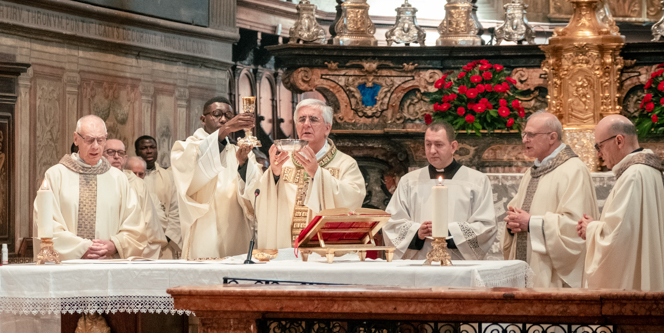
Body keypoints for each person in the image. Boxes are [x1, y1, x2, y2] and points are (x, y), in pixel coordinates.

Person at [578, 115, 664, 290]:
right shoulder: (647, 170)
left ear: (619, 140)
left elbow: (619, 237)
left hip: (633, 284)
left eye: (599, 146)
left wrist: (591, 229)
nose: (598, 154)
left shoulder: (633, 176)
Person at [245, 99, 365, 249]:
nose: (306, 124)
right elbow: (258, 201)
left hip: (324, 252)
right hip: (286, 250)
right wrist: (274, 176)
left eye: (313, 119)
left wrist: (317, 174)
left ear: (327, 128)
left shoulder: (345, 164)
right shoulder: (284, 161)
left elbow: (353, 200)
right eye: (302, 119)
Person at [503, 111, 599, 288]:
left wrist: (531, 223)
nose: (525, 140)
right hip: (528, 266)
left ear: (552, 137)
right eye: (524, 134)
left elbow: (576, 227)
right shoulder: (532, 172)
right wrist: (512, 224)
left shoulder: (573, 170)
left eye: (531, 135)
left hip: (553, 276)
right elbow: (518, 212)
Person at [33, 116, 147, 260]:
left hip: (107, 264)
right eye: (89, 140)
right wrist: (81, 249)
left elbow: (134, 225)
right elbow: (46, 223)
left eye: (100, 140)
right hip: (69, 267)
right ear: (76, 139)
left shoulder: (118, 179)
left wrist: (115, 245)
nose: (95, 146)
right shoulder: (55, 175)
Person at [383, 120, 497, 260]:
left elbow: (486, 226)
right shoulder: (409, 181)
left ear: (453, 146)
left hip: (458, 264)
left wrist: (450, 232)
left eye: (438, 144)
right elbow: (391, 223)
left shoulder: (477, 181)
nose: (432, 151)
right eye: (428, 144)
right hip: (420, 262)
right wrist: (417, 232)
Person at [170, 97, 256, 259]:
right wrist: (225, 130)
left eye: (228, 116)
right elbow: (193, 175)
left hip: (236, 229)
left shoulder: (239, 151)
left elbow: (256, 189)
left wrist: (243, 165)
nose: (223, 119)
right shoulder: (185, 148)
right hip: (204, 229)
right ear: (203, 119)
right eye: (217, 114)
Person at [104, 138, 165, 259]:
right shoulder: (94, 181)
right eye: (110, 152)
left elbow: (150, 227)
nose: (116, 156)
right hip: (101, 252)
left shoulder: (138, 185)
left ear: (125, 158)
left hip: (130, 255)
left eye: (120, 153)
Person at [136, 135, 181, 258]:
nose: (149, 151)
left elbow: (176, 210)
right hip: (137, 243)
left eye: (152, 147)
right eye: (144, 148)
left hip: (165, 243)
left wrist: (165, 238)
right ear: (137, 152)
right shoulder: (129, 177)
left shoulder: (169, 177)